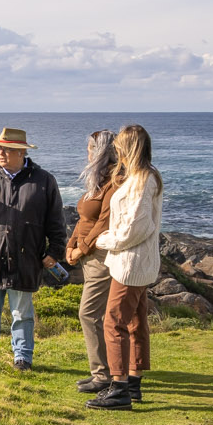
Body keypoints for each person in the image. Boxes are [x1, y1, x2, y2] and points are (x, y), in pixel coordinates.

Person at [0, 126, 67, 372]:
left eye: (8, 149)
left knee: (22, 312)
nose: (2, 152)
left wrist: (55, 250)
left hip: (26, 256)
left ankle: (23, 357)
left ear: (21, 152)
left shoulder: (44, 180)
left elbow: (56, 220)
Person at [87, 124, 163, 410]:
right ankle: (133, 382)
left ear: (128, 146)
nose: (115, 148)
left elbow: (137, 227)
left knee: (113, 320)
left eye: (119, 144)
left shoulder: (142, 180)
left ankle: (118, 387)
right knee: (135, 320)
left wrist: (106, 240)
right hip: (137, 260)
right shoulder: (143, 177)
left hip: (130, 262)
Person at [62, 129, 121, 394]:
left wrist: (81, 249)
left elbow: (104, 223)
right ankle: (103, 372)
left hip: (100, 256)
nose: (87, 151)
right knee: (97, 313)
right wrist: (71, 244)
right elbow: (84, 219)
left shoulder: (115, 182)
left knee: (89, 312)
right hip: (88, 254)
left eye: (90, 147)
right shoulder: (97, 180)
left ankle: (103, 375)